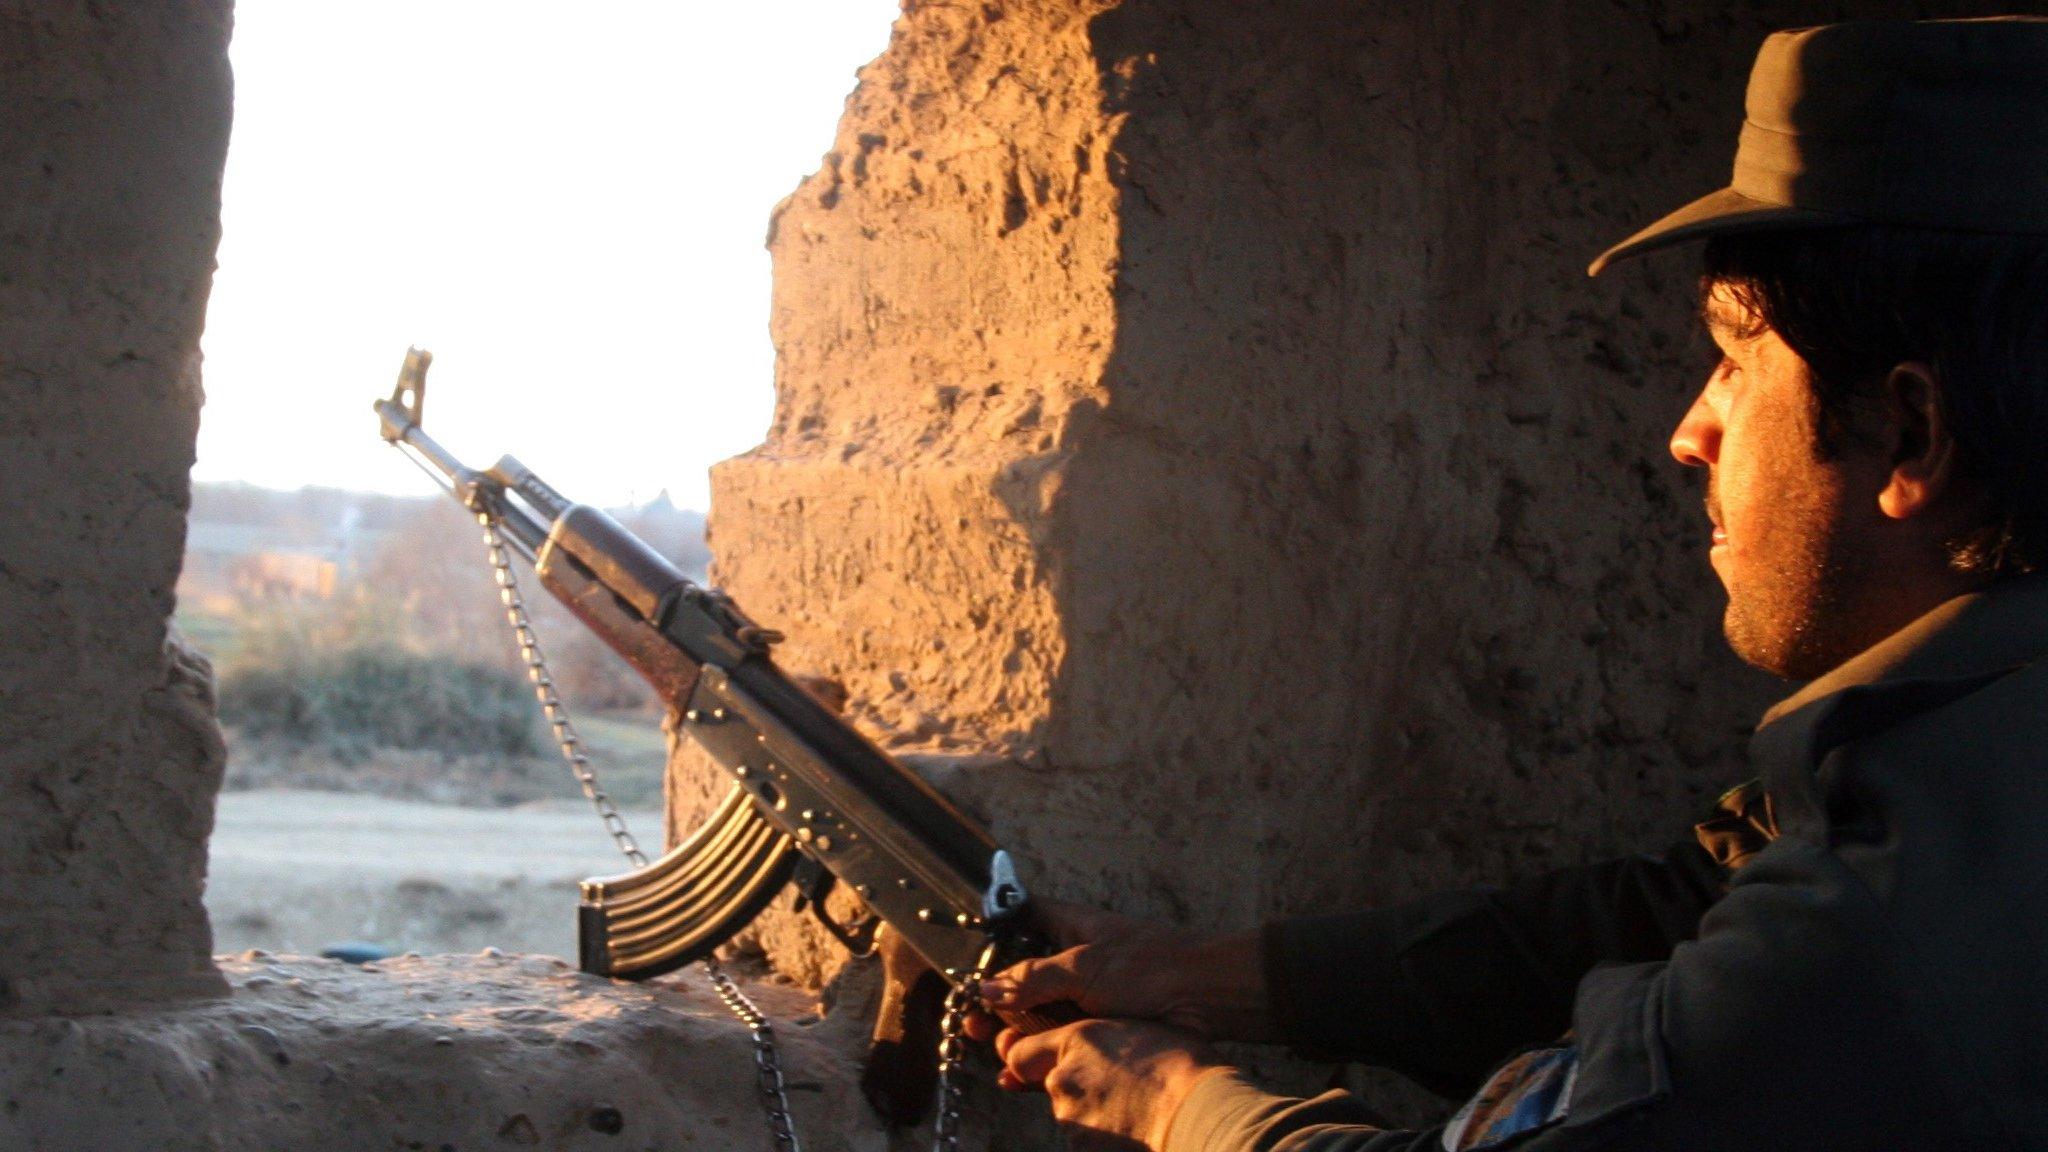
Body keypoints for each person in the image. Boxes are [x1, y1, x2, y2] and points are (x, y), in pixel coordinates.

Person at [971, 17, 2048, 1151]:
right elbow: (1670, 911)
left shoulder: (1886, 907)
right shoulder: (1966, 760)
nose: (1690, 431)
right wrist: (1196, 974)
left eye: (1736, 360)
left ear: (1911, 432)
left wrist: (1182, 1104)